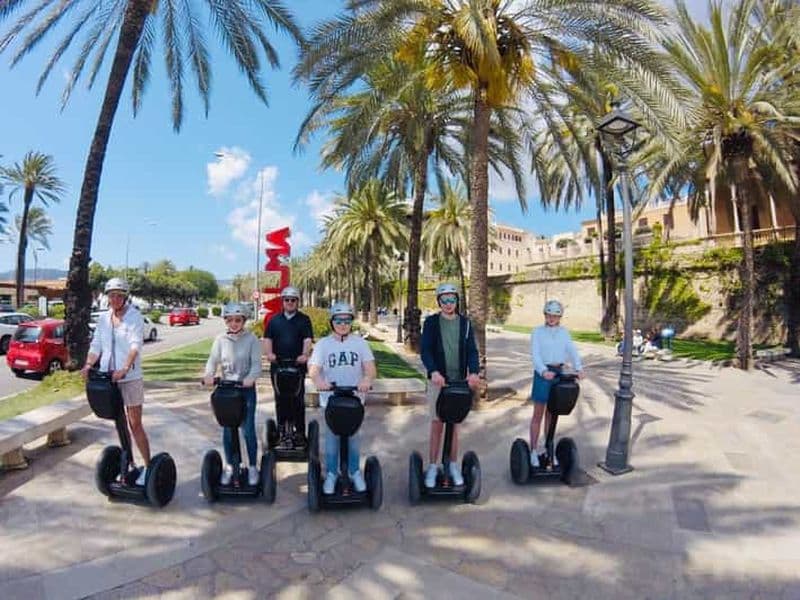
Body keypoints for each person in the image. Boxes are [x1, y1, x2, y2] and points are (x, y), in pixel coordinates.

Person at [81, 278, 151, 486]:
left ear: (125, 297)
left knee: (134, 424)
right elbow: (96, 345)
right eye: (112, 295)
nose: (115, 299)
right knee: (118, 422)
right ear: (107, 297)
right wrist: (88, 365)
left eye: (119, 295)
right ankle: (128, 463)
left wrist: (125, 368)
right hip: (107, 379)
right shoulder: (103, 319)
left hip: (129, 378)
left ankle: (147, 466)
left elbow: (135, 345)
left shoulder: (134, 317)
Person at [308, 302, 376, 495]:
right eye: (338, 320)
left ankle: (354, 472)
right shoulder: (323, 344)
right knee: (332, 440)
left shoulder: (360, 343)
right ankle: (331, 474)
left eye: (347, 320)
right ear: (332, 322)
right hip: (331, 400)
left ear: (351, 322)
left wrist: (366, 379)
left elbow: (370, 368)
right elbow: (313, 370)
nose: (343, 324)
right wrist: (319, 381)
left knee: (354, 439)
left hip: (355, 399)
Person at [419, 283, 480, 488]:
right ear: (439, 301)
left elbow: (472, 350)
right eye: (444, 300)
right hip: (439, 381)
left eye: (451, 299)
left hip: (459, 381)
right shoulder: (431, 323)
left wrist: (473, 372)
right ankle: (434, 466)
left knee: (454, 425)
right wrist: (433, 371)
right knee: (437, 424)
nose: (448, 304)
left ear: (457, 301)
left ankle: (453, 465)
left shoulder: (465, 324)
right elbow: (425, 350)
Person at [203, 303, 263, 486]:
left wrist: (251, 378)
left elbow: (256, 365)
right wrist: (208, 375)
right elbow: (212, 361)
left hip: (246, 391)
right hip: (227, 391)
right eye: (230, 320)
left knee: (248, 430)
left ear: (244, 320)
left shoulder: (252, 339)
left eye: (238, 320)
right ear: (226, 321)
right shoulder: (220, 339)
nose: (234, 323)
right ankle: (230, 466)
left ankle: (252, 466)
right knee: (228, 430)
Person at [529, 299, 585, 467]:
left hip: (559, 372)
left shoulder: (564, 332)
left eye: (555, 315)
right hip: (543, 373)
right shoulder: (537, 332)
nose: (552, 318)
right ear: (545, 315)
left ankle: (548, 448)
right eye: (549, 315)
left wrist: (579, 368)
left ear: (560, 317)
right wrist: (542, 370)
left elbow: (572, 350)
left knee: (552, 414)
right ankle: (533, 451)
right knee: (538, 413)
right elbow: (535, 354)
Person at [263, 286, 314, 447]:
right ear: (282, 301)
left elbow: (307, 339)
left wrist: (305, 355)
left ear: (297, 302)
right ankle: (281, 432)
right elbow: (267, 339)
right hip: (278, 366)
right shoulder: (274, 320)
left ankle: (299, 432)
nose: (290, 302)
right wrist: (269, 354)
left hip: (297, 366)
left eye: (293, 300)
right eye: (287, 300)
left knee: (298, 399)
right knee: (280, 399)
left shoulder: (304, 319)